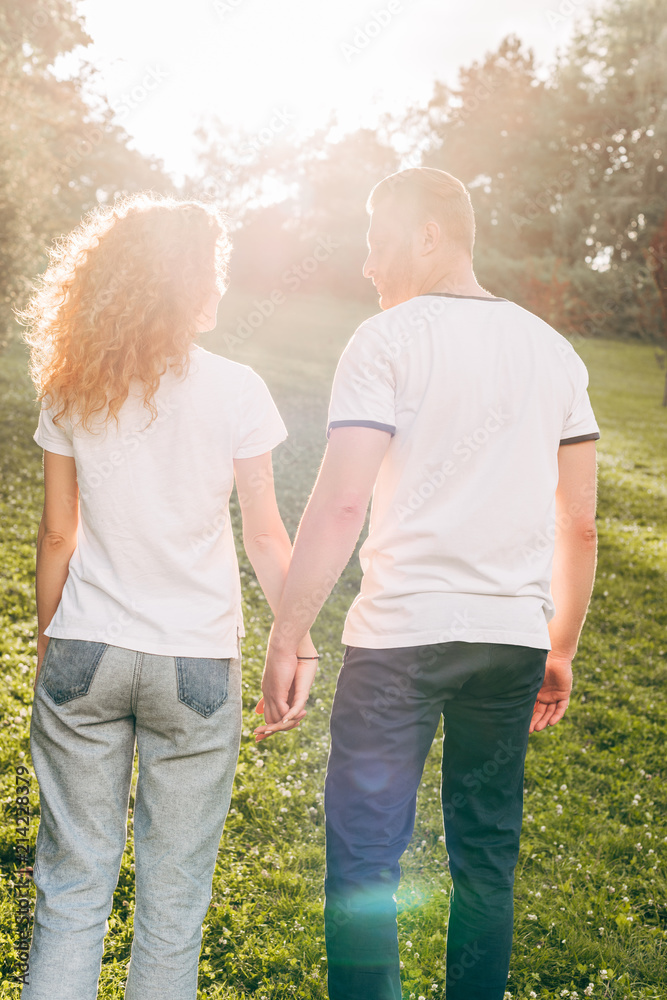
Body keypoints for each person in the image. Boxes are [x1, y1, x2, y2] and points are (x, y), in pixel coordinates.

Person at [256, 167, 599, 1000]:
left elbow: (341, 502)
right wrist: (557, 649)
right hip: (509, 644)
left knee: (367, 855)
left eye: (377, 244)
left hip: (397, 642)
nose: (368, 266)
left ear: (429, 236)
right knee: (486, 858)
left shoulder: (386, 341)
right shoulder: (554, 353)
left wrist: (287, 632)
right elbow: (578, 526)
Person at [21, 193, 316, 1000]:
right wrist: (297, 642)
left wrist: (54, 644)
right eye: (210, 274)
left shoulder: (72, 386)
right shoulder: (238, 388)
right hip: (195, 665)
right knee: (173, 904)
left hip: (85, 650)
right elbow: (264, 536)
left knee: (72, 891)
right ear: (189, 287)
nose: (217, 289)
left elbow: (57, 537)